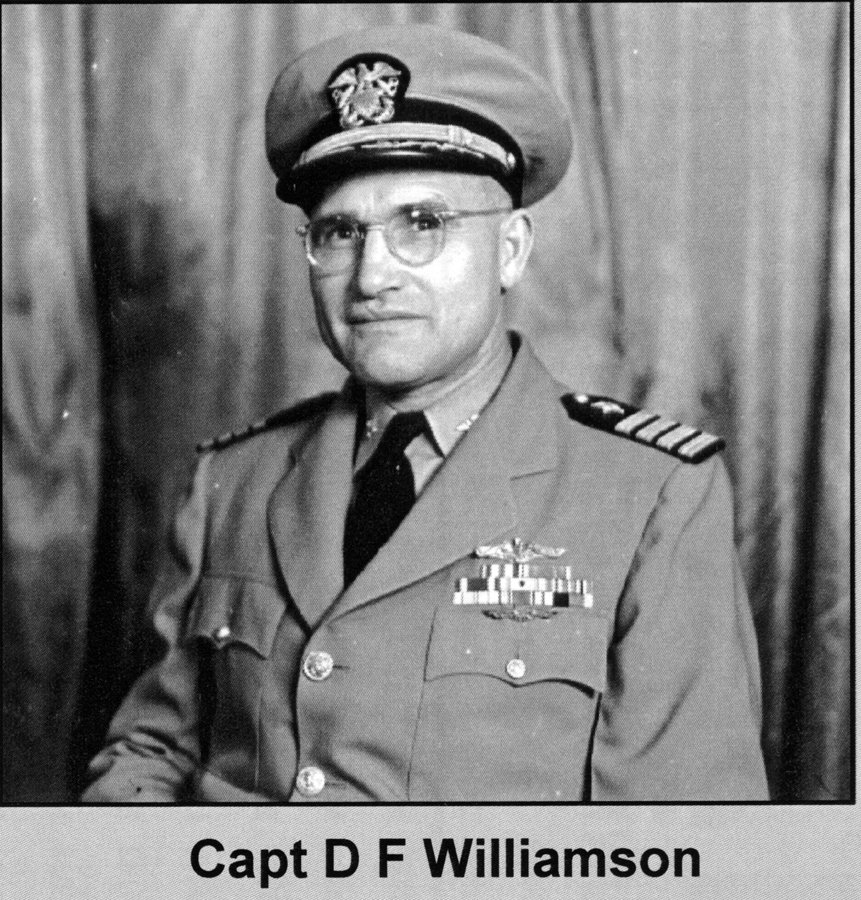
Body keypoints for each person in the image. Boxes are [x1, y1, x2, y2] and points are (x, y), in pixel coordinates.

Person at [83, 25, 769, 802]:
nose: (371, 276)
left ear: (510, 249)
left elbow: (677, 839)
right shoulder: (232, 480)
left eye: (423, 224)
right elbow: (149, 752)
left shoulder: (649, 494)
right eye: (340, 232)